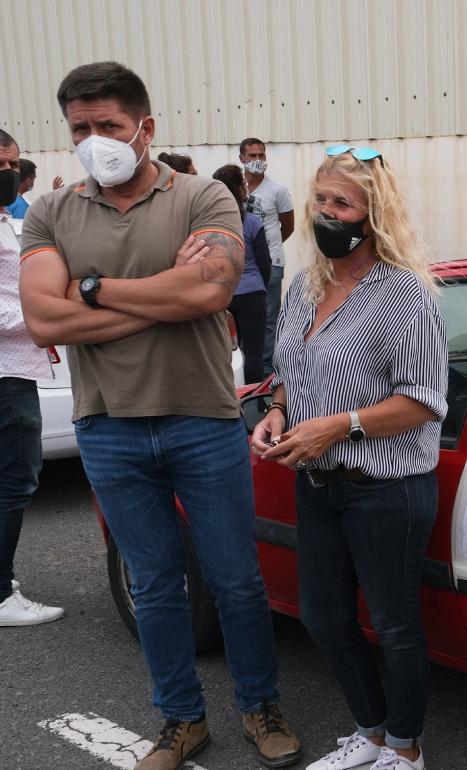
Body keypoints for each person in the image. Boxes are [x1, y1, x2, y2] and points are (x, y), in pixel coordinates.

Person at [18, 62, 301, 770]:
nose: (93, 141)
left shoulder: (205, 197)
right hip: (108, 425)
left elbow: (207, 295)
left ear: (146, 126)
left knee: (236, 579)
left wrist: (91, 290)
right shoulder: (54, 212)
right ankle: (180, 721)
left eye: (107, 126)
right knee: (153, 585)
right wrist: (158, 293)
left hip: (201, 419)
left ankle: (260, 705)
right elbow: (41, 319)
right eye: (79, 128)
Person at [251, 144, 447, 770]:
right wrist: (279, 411)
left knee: (394, 627)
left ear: (374, 214)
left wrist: (337, 426)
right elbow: (288, 370)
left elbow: (424, 401)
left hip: (385, 488)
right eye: (319, 200)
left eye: (342, 203)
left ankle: (406, 749)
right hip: (317, 483)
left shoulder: (406, 295)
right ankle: (371, 730)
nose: (326, 213)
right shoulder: (305, 288)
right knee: (325, 619)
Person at [0, 128, 63, 627]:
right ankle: (1, 594)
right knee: (16, 481)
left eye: (12, 164)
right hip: (6, 375)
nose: (8, 174)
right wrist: (45, 319)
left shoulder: (7, 218)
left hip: (18, 370)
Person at [239, 138, 294, 376]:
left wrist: (266, 247)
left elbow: (288, 226)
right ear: (242, 158)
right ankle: (243, 365)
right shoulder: (234, 188)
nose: (258, 160)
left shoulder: (277, 190)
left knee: (269, 318)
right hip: (241, 266)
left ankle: (266, 371)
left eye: (262, 155)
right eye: (252, 156)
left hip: (271, 262)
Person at [213, 164, 271, 383]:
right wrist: (260, 286)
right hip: (252, 293)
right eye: (243, 183)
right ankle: (253, 402)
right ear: (238, 189)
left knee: (224, 353)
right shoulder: (252, 222)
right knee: (254, 353)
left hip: (222, 294)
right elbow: (264, 263)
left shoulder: (214, 224)